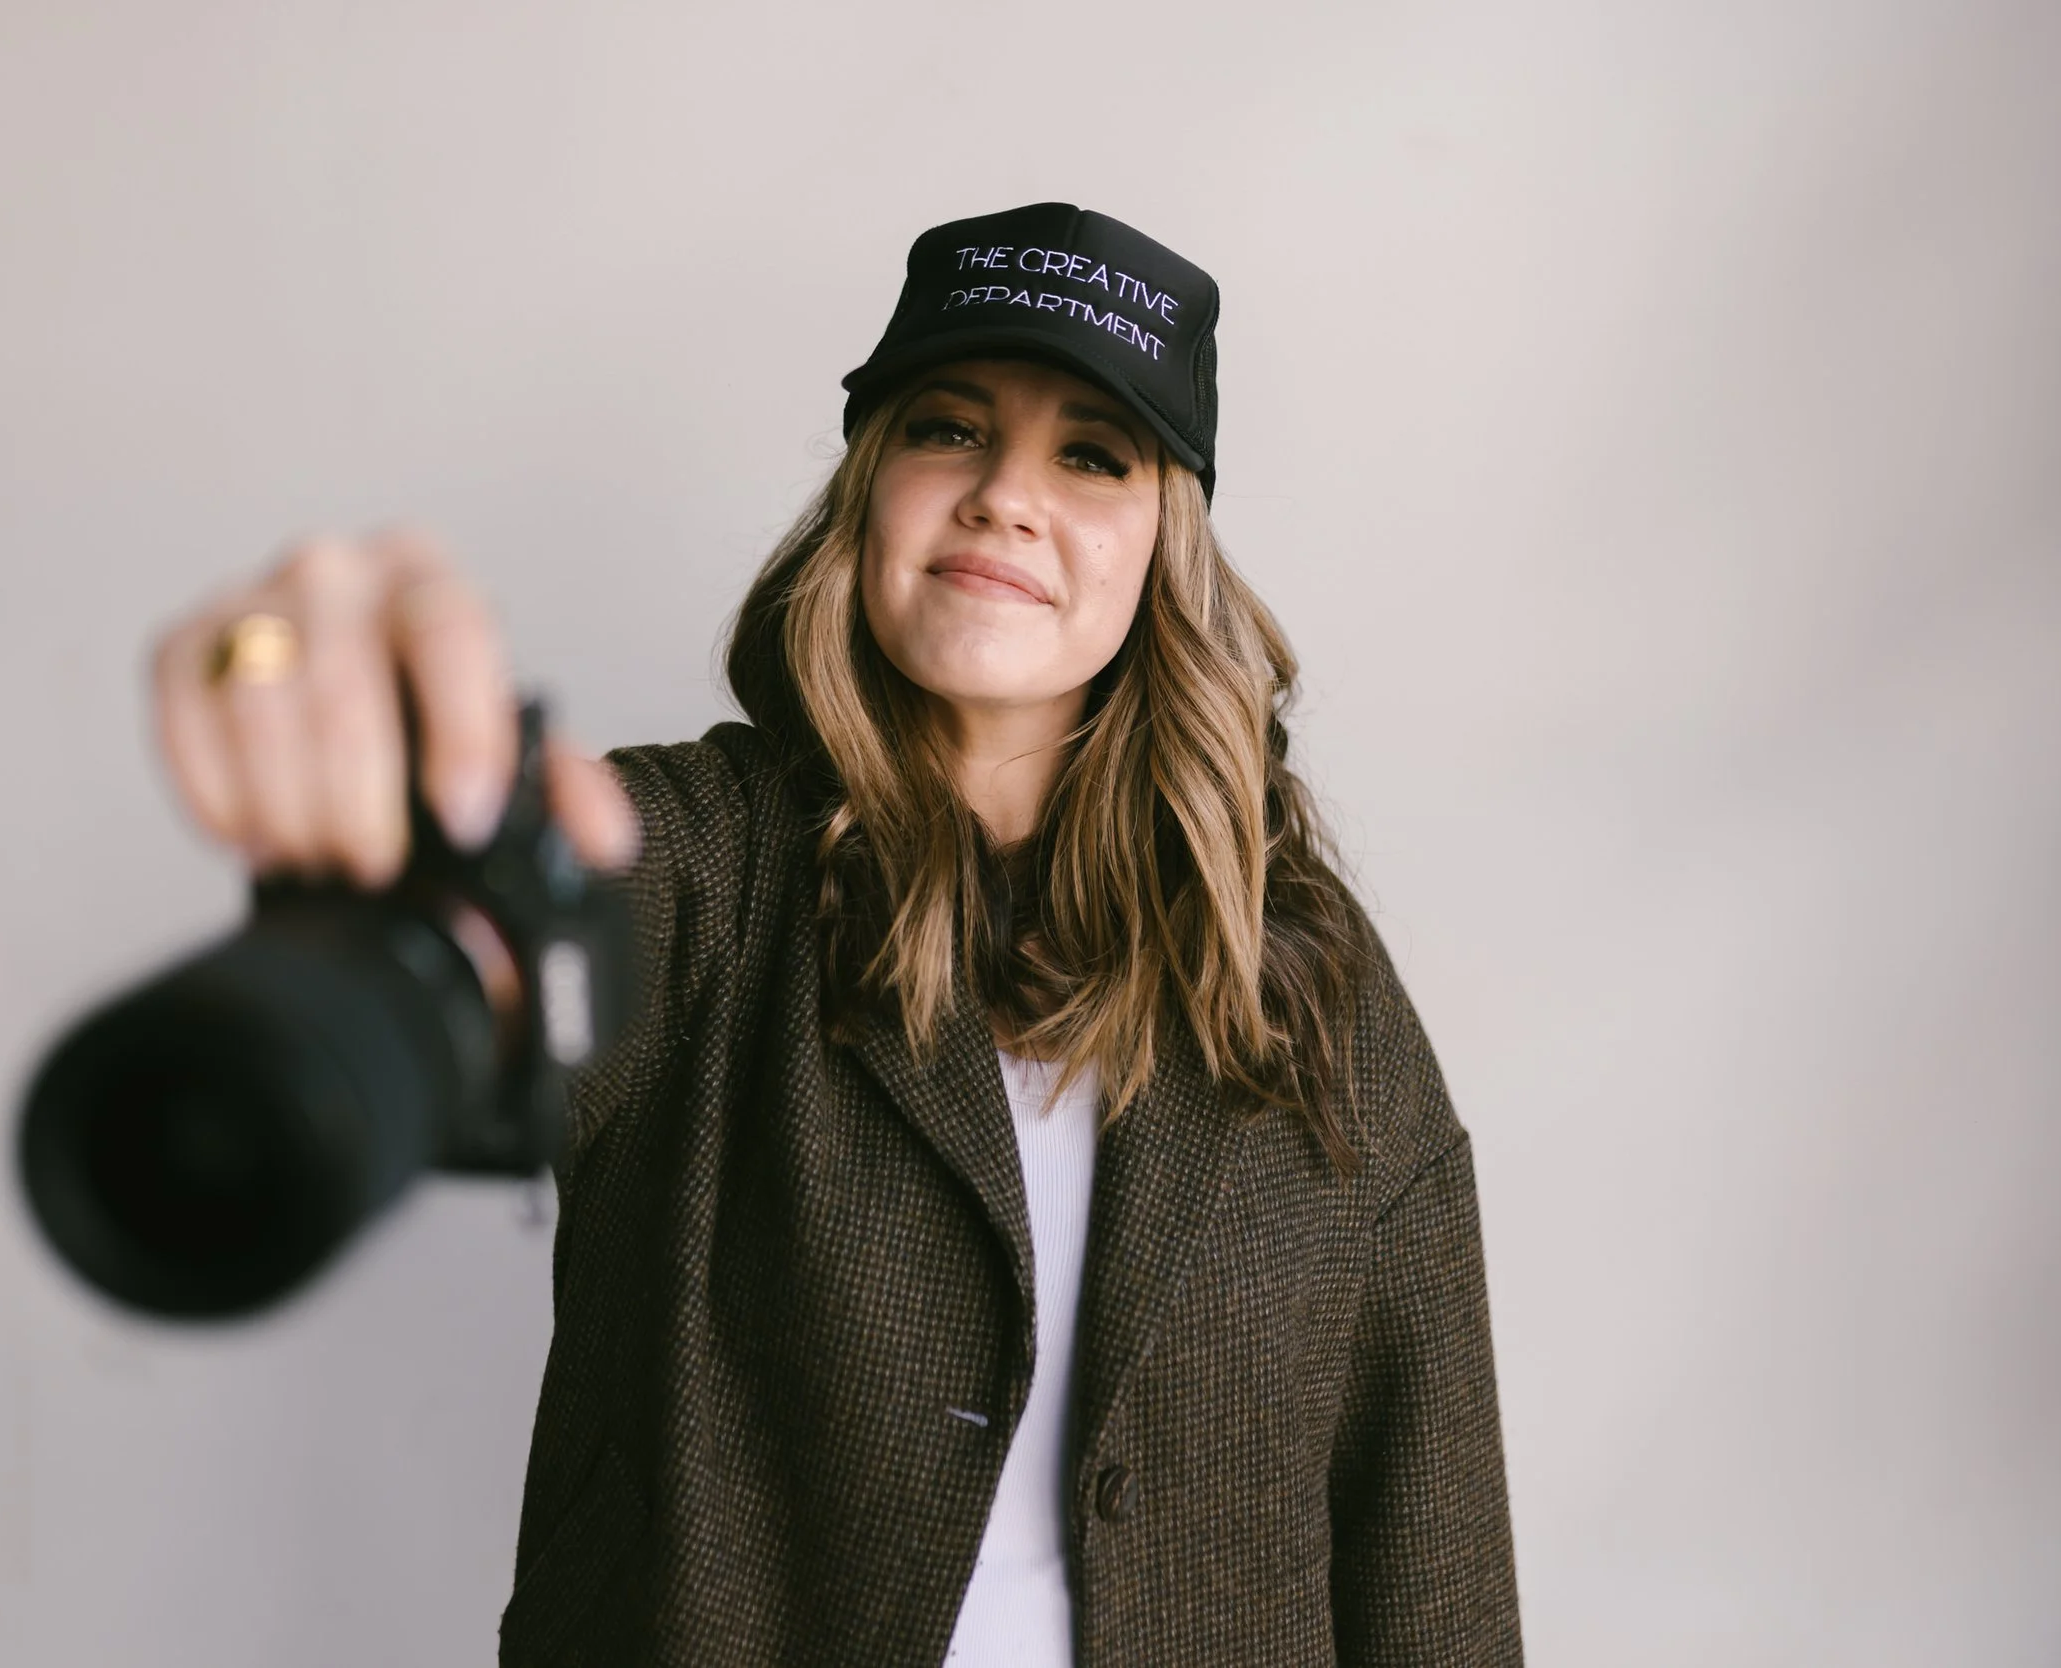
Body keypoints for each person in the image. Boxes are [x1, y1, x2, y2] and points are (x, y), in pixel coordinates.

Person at [152, 203, 1522, 1666]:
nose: (1005, 494)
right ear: (869, 487)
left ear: (1163, 543)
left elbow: (1429, 1545)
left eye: (1091, 454)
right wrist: (382, 802)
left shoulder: (1296, 968)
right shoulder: (701, 865)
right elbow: (476, 963)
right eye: (949, 429)